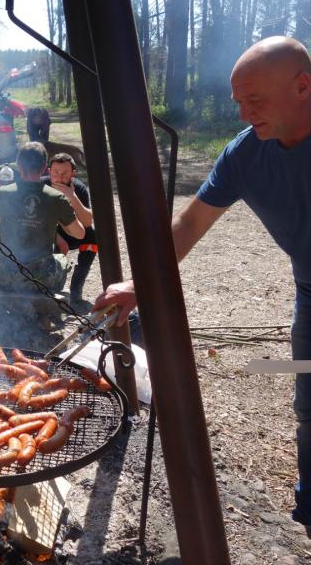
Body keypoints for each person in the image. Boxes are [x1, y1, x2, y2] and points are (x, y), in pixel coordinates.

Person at [94, 36, 311, 535]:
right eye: (238, 101)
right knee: (309, 402)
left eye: (254, 100)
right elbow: (190, 224)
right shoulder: (245, 154)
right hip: (309, 294)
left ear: (303, 86)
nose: (243, 113)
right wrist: (141, 284)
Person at [0, 142, 85, 294]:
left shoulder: (1, 193)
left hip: (4, 277)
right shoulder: (56, 198)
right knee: (62, 260)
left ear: (19, 165)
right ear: (44, 167)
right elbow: (79, 233)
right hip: (43, 280)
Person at [43, 153, 96, 308]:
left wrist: (72, 197)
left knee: (92, 236)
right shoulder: (41, 186)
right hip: (48, 235)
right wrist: (56, 238)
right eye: (55, 173)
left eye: (64, 173)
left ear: (73, 173)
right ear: (49, 171)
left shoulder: (78, 188)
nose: (59, 178)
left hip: (73, 232)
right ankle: (50, 288)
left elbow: (87, 222)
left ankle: (76, 290)